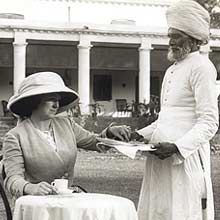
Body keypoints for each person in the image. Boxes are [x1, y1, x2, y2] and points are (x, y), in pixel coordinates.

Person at [132, 1, 219, 220]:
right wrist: (137, 136)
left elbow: (209, 122)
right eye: (169, 35)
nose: (171, 42)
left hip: (184, 160)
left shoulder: (202, 67)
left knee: (183, 212)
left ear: (192, 38)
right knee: (159, 211)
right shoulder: (172, 70)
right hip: (160, 158)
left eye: (177, 36)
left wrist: (177, 148)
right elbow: (166, 119)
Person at [2, 71, 130, 201]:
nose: (56, 105)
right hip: (35, 204)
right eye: (51, 99)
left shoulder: (67, 124)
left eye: (58, 100)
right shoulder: (15, 136)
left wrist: (110, 132)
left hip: (66, 200)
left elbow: (93, 142)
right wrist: (30, 188)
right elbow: (12, 179)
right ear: (34, 101)